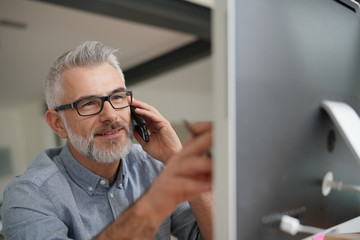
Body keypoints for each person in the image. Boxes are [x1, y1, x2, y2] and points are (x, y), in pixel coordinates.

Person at [0, 41, 213, 239]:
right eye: (88, 103)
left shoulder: (154, 166)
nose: (111, 115)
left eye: (117, 97)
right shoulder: (29, 196)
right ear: (58, 124)